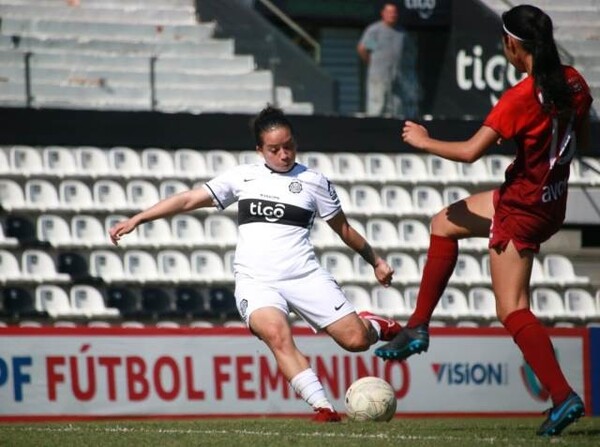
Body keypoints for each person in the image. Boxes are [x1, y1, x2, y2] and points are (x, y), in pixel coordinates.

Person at [375, 4, 592, 437]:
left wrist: (423, 140)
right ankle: (417, 326)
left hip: (522, 210)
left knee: (512, 309)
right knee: (444, 222)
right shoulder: (573, 81)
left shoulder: (518, 98)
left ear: (513, 46)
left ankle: (562, 395)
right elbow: (577, 133)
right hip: (550, 200)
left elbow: (470, 151)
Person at [109, 105, 401, 422]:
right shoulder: (243, 176)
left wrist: (376, 261)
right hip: (256, 282)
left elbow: (343, 229)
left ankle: (374, 324)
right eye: (274, 149)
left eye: (289, 146)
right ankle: (324, 409)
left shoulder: (314, 182)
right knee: (276, 335)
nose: (284, 154)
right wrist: (139, 218)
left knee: (356, 340)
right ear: (259, 150)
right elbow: (189, 199)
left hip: (303, 276)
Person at [357, 2, 420, 118]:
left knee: (396, 108)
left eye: (394, 13)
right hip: (379, 76)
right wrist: (371, 63)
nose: (392, 15)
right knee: (377, 106)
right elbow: (363, 49)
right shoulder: (375, 31)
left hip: (397, 77)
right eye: (389, 12)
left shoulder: (401, 33)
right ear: (383, 14)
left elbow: (409, 52)